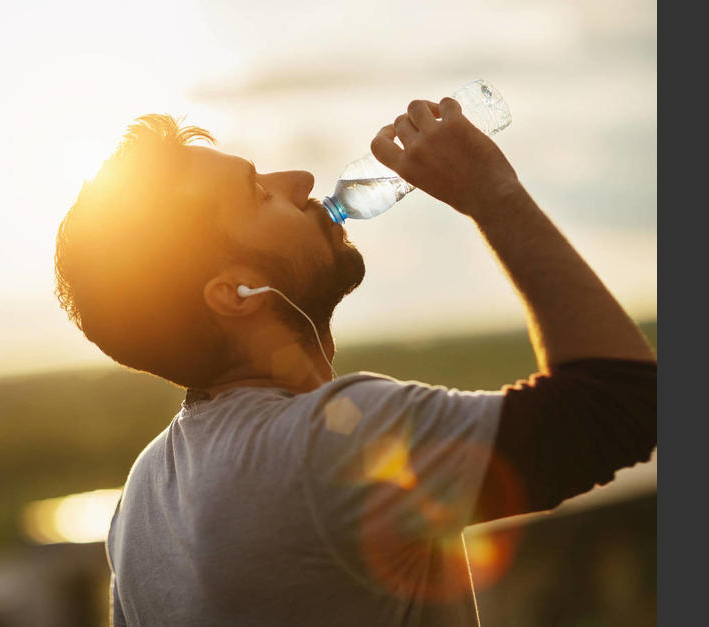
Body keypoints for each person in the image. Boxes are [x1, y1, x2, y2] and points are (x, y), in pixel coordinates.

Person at [53, 99, 657, 626]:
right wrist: (489, 192)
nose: (300, 179)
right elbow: (619, 401)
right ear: (233, 291)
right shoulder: (327, 444)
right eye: (258, 193)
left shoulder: (142, 498)